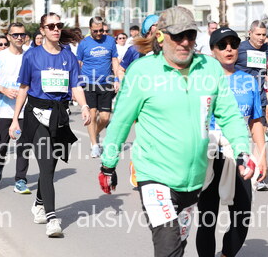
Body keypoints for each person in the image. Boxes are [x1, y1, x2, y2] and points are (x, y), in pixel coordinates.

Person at [99, 7, 254, 257]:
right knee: (168, 247)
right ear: (161, 37)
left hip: (194, 180)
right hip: (154, 175)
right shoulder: (142, 72)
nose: (185, 42)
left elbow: (230, 115)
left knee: (179, 245)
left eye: (190, 35)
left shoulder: (210, 69)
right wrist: (108, 164)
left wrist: (242, 151)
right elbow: (121, 122)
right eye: (178, 36)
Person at [9, 12, 90, 237]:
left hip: (59, 115)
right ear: (42, 30)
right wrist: (15, 119)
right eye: (51, 26)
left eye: (58, 25)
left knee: (51, 167)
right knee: (45, 165)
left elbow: (75, 86)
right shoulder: (32, 56)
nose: (56, 29)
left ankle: (38, 203)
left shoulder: (68, 56)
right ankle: (52, 219)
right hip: (36, 115)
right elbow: (24, 88)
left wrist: (84, 106)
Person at [196, 27, 266, 257]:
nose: (229, 49)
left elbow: (255, 121)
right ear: (213, 50)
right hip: (210, 152)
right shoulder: (202, 80)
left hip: (240, 152)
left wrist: (261, 155)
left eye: (233, 44)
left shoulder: (249, 81)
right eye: (222, 45)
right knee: (208, 216)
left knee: (242, 214)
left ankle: (227, 253)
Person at [0, 23, 31, 194]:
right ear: (8, 37)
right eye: (15, 35)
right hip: (3, 109)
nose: (19, 38)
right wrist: (4, 90)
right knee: (1, 146)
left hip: (25, 110)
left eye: (22, 35)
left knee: (24, 146)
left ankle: (20, 180)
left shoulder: (30, 55)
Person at [235, 20, 268, 190]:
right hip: (240, 97)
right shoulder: (239, 48)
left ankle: (258, 175)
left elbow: (262, 69)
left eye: (264, 35)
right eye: (258, 34)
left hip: (259, 96)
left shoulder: (266, 49)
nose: (261, 38)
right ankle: (235, 167)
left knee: (260, 137)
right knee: (238, 136)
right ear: (250, 33)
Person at [77, 16, 120, 158]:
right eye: (95, 31)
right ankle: (94, 145)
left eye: (101, 30)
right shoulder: (84, 43)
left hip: (106, 82)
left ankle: (94, 134)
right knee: (92, 114)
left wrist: (117, 79)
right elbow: (78, 63)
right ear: (90, 29)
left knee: (105, 118)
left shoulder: (110, 41)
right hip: (89, 82)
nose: (99, 33)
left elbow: (114, 60)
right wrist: (76, 84)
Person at [120, 15, 159, 79]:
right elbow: (121, 70)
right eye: (157, 25)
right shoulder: (134, 49)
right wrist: (123, 82)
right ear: (148, 28)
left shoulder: (163, 49)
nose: (161, 28)